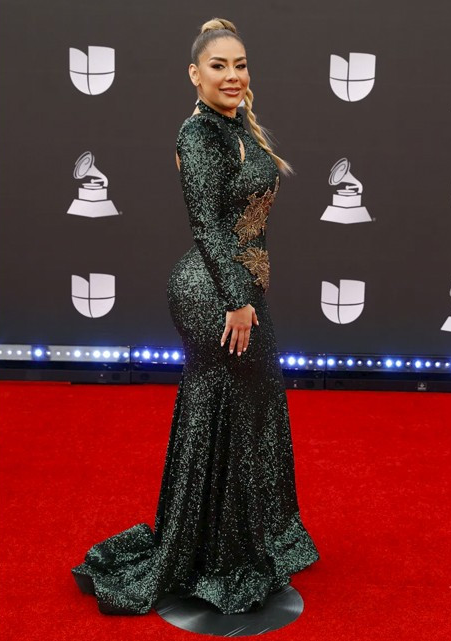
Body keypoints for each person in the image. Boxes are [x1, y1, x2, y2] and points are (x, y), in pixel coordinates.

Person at [70, 17, 319, 616]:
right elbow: (207, 225)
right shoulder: (199, 135)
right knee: (236, 409)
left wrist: (246, 292)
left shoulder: (233, 126)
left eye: (240, 65)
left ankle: (224, 547)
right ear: (194, 74)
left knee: (239, 411)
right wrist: (237, 300)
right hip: (215, 292)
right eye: (218, 66)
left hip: (239, 286)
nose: (233, 75)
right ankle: (221, 558)